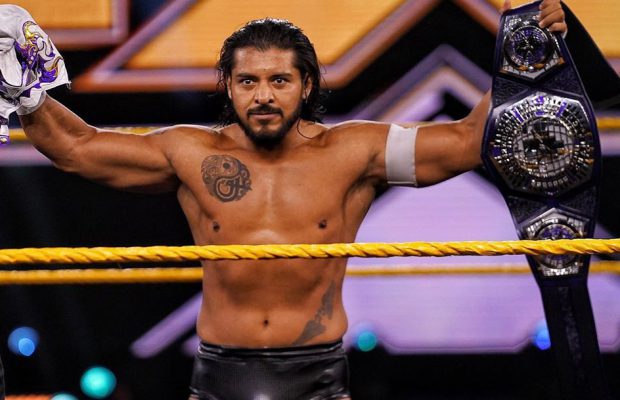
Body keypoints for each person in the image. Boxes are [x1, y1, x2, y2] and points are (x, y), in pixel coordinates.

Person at [0, 0, 568, 399]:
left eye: (279, 80)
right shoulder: (189, 153)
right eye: (248, 82)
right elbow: (77, 148)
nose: (263, 96)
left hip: (317, 374)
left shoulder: (355, 153)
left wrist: (528, 51)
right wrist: (27, 93)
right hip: (219, 373)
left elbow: (468, 141)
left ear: (307, 85)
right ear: (228, 87)